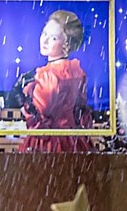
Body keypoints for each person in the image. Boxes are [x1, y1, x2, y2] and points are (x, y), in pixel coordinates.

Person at [16, 9, 93, 153]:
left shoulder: (45, 75)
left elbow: (38, 120)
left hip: (48, 144)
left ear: (67, 45)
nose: (44, 40)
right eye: (44, 33)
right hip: (74, 141)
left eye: (53, 38)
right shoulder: (78, 72)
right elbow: (81, 114)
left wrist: (23, 100)